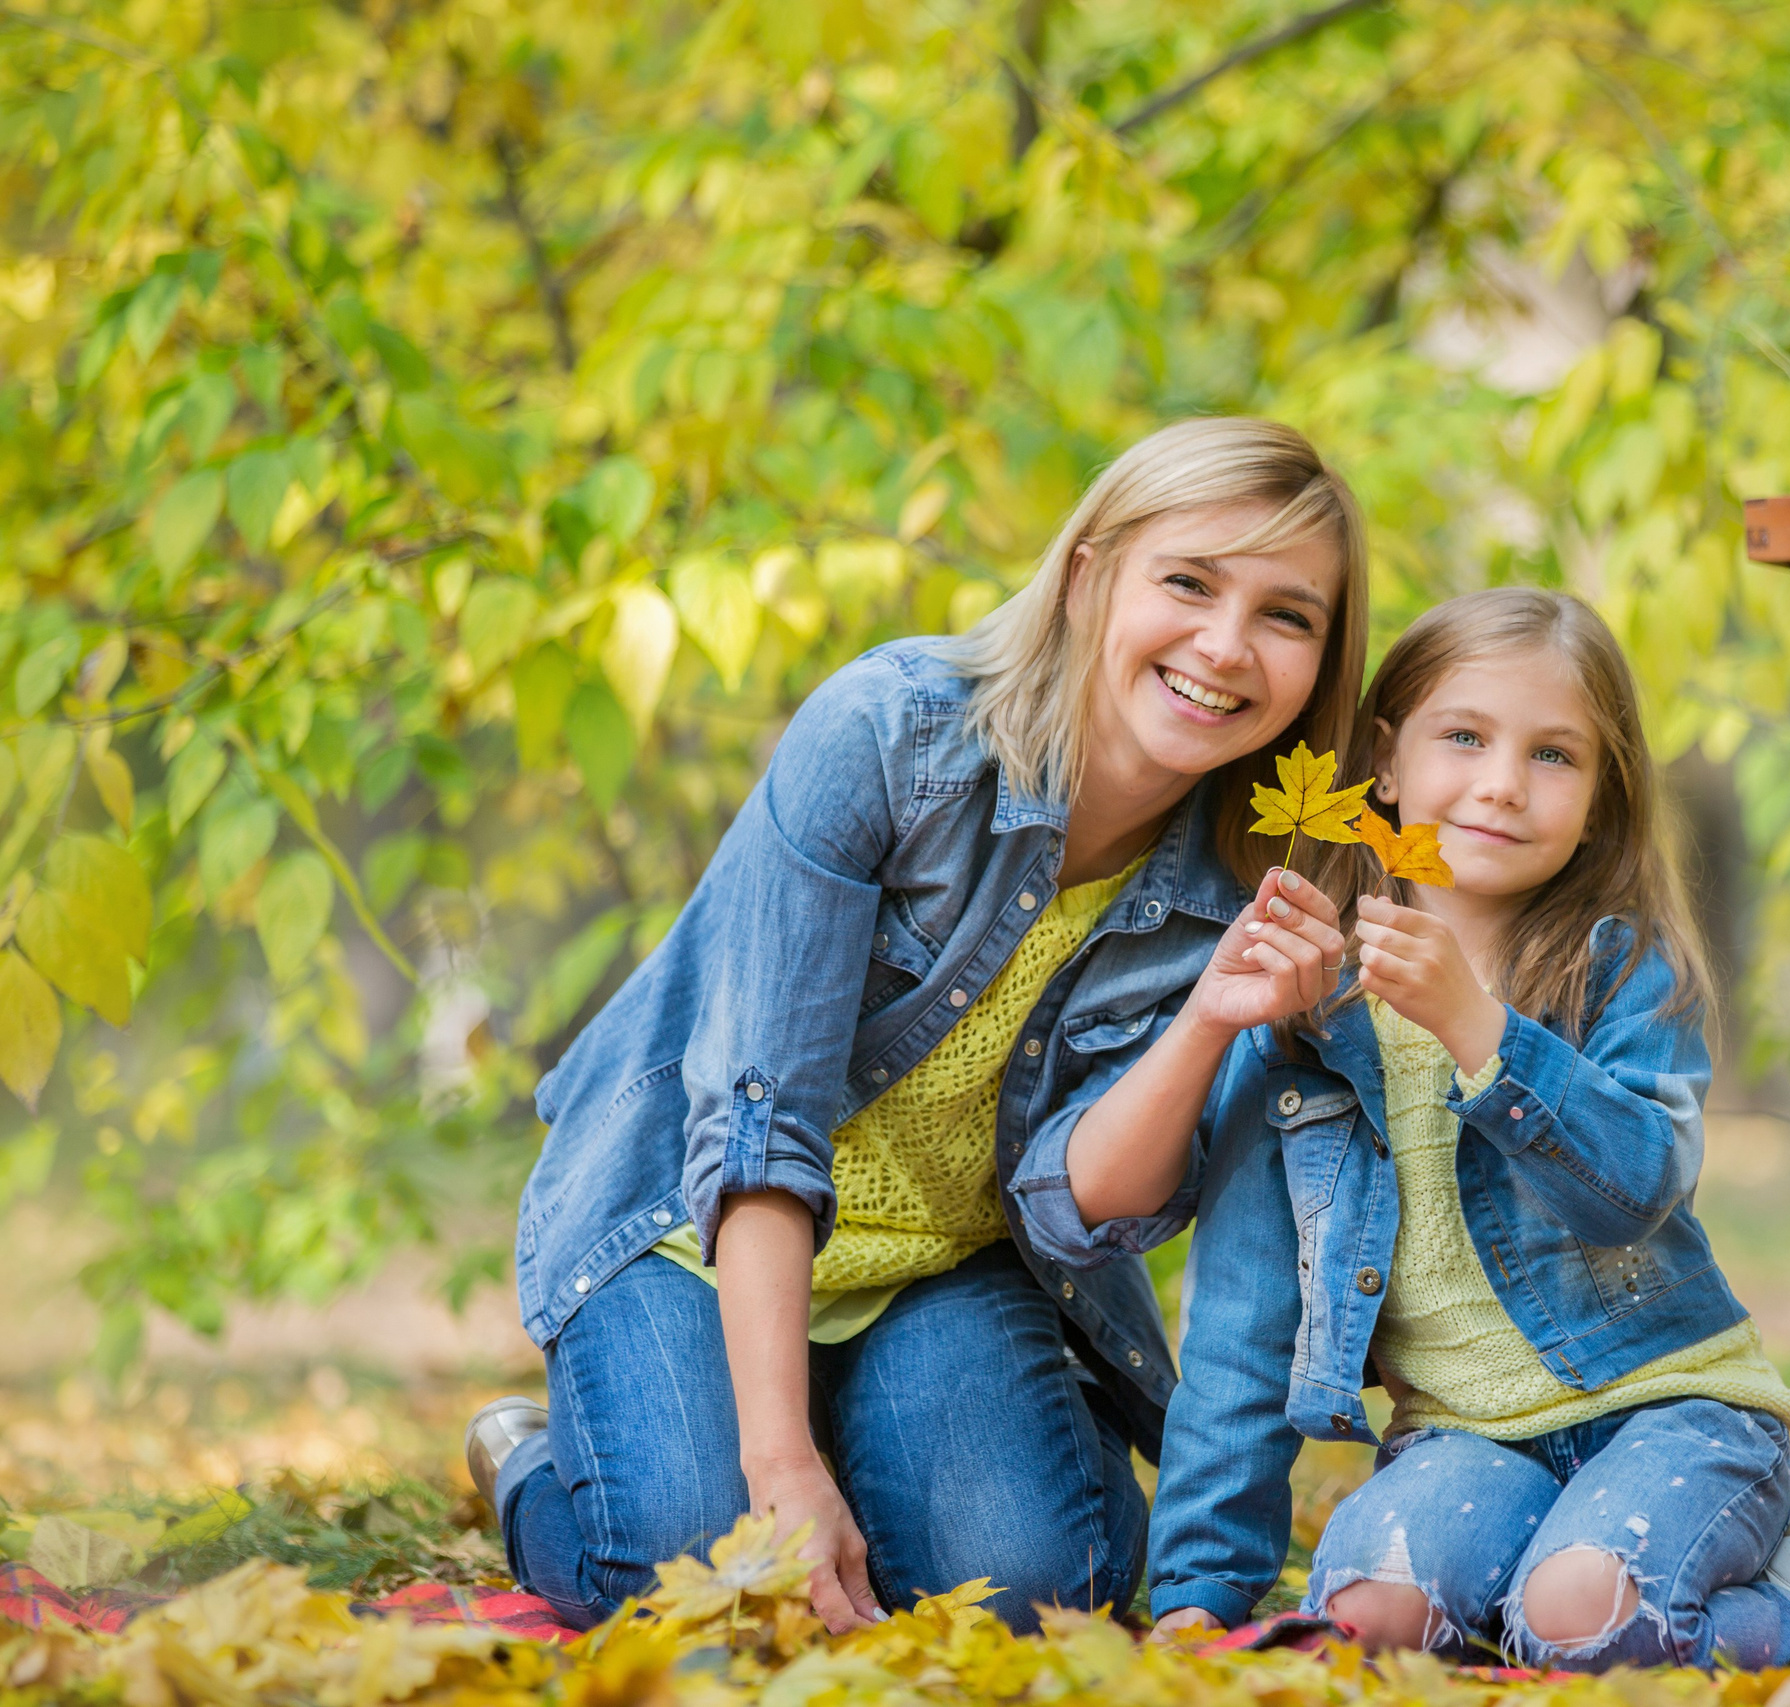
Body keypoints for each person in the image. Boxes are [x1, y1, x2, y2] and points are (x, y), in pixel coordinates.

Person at [466, 418, 1369, 1635]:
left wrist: (1210, 1019)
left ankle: (881, 1443)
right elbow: (758, 1124)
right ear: (1091, 573)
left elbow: (1071, 1204)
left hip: (944, 1263)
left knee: (1030, 1597)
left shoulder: (1257, 877)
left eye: (1287, 615)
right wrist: (779, 1463)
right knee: (710, 1588)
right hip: (689, 1227)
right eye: (1190, 582)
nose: (1225, 646)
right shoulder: (894, 736)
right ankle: (534, 1468)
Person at [1017, 587, 1790, 1668]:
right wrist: (1198, 1592)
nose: (1500, 785)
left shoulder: (1617, 970)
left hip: (1670, 1413)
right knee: (1365, 1624)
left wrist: (1482, 1031)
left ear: (1601, 793)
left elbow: (1633, 1187)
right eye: (1464, 737)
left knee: (1583, 1622)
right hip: (1467, 1441)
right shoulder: (1303, 1019)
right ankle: (1539, 1586)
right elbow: (1242, 1331)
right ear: (1386, 761)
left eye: (1553, 756)